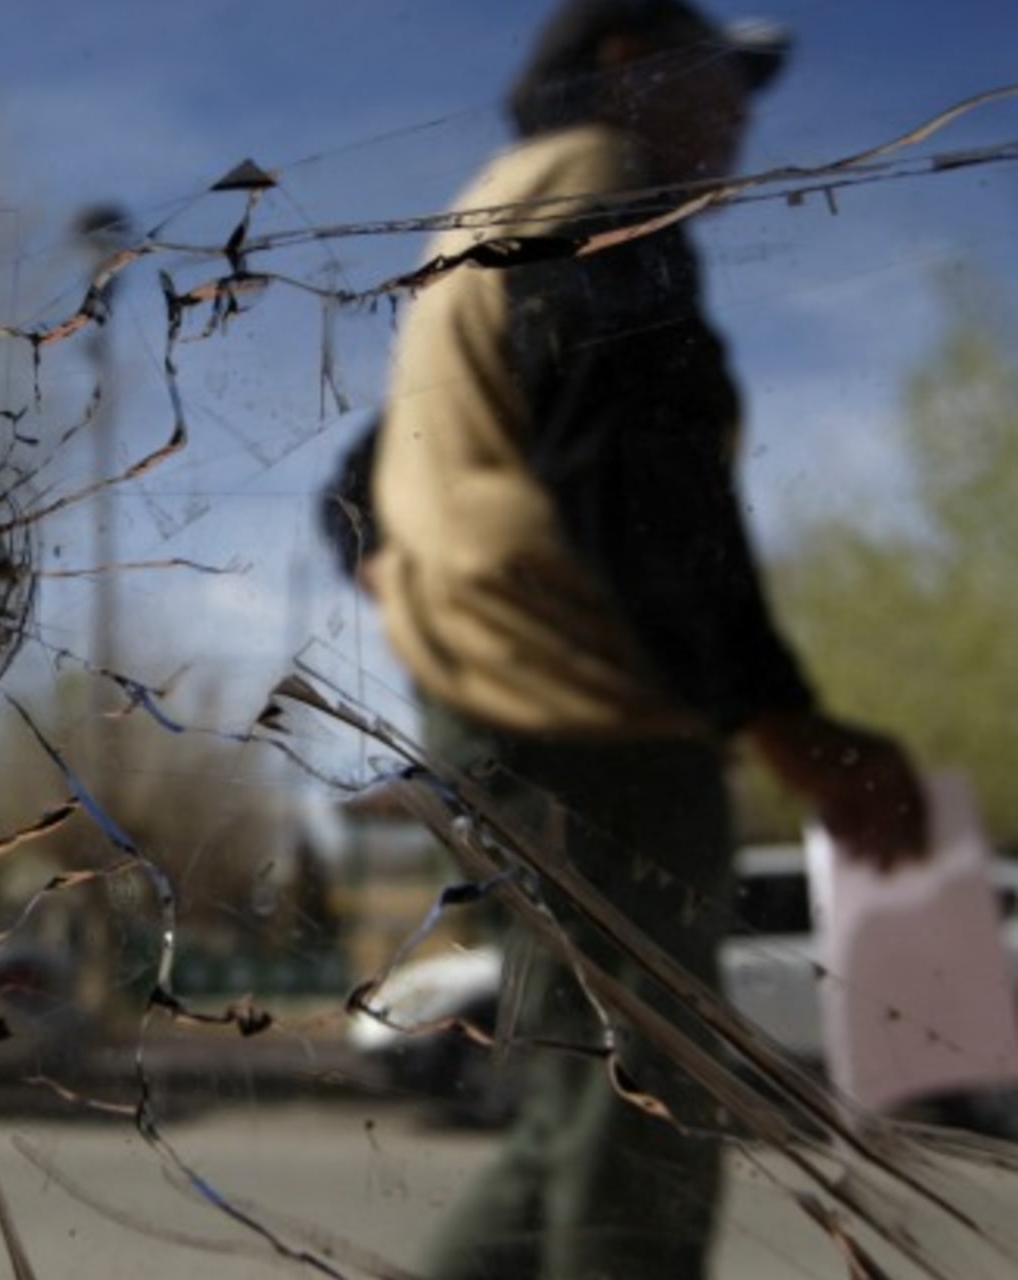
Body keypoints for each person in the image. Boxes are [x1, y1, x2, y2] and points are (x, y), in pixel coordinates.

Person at [370, 3, 928, 1277]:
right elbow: (638, 461)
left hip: (501, 712)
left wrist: (425, 566)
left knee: (575, 1116)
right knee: (647, 1115)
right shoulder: (598, 189)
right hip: (588, 722)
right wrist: (778, 715)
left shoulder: (489, 209)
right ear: (629, 63)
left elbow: (377, 461)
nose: (741, 116)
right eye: (722, 81)